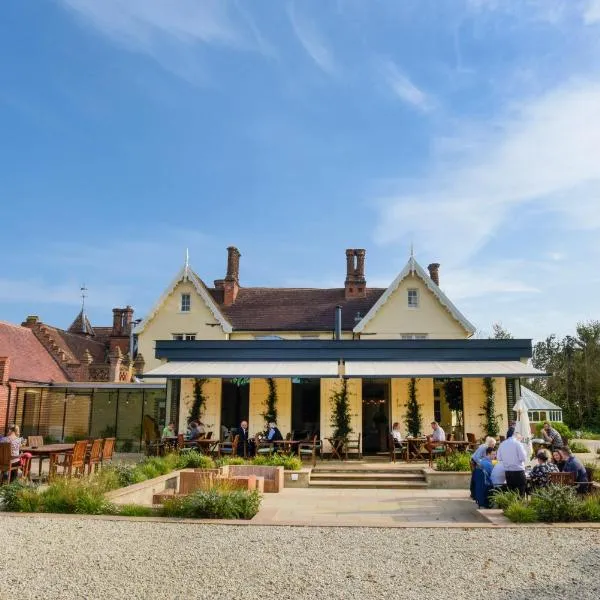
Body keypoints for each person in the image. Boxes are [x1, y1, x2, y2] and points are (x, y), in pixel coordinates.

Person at [496, 427, 527, 495]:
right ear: (514, 434)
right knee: (520, 493)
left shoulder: (502, 444)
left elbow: (499, 458)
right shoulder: (518, 443)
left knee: (512, 493)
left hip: (508, 472)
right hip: (518, 471)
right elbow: (523, 458)